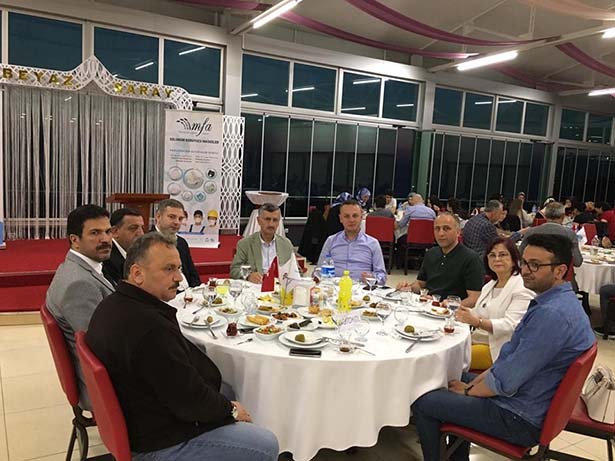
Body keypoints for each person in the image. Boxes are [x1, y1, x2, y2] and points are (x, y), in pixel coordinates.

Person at [86, 233, 279, 461]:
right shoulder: (149, 328)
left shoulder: (113, 303)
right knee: (266, 443)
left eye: (178, 268)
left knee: (226, 389)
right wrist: (231, 411)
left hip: (139, 416)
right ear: (137, 274)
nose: (179, 277)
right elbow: (190, 401)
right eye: (168, 269)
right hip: (155, 442)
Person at [411, 233, 595, 461]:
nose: (525, 270)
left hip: (519, 416)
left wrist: (468, 392)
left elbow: (507, 380)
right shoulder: (558, 302)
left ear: (560, 271)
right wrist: (474, 385)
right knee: (447, 376)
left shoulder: (552, 315)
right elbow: (510, 359)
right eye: (524, 263)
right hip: (529, 396)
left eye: (535, 265)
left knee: (424, 401)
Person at [46, 204, 115, 409]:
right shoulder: (79, 284)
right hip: (101, 386)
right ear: (75, 240)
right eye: (95, 233)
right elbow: (101, 346)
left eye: (108, 231)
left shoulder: (76, 267)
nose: (105, 239)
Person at [455, 237, 534, 370]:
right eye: (492, 255)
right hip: (476, 339)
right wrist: (458, 310)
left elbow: (511, 325)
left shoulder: (521, 288)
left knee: (449, 358)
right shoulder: (489, 285)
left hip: (497, 348)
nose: (497, 259)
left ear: (514, 259)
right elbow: (478, 313)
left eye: (502, 255)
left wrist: (478, 322)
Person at [397, 213, 484, 307]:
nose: (441, 233)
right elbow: (420, 284)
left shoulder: (471, 259)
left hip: (451, 311)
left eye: (446, 229)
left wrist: (447, 306)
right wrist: (408, 288)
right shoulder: (431, 253)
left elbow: (474, 298)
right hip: (427, 307)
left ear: (458, 232)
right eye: (437, 229)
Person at [318, 200, 387, 285]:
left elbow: (382, 276)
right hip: (335, 288)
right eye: (346, 216)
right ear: (340, 219)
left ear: (361, 217)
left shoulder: (373, 244)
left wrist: (373, 278)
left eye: (355, 216)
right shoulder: (331, 241)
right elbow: (318, 270)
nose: (351, 220)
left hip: (361, 289)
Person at [230, 203, 295, 283]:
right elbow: (234, 270)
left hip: (279, 287)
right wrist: (249, 276)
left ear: (279, 222)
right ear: (258, 220)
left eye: (275, 220)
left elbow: (297, 271)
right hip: (256, 287)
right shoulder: (245, 244)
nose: (271, 224)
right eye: (267, 219)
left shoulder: (286, 244)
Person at [153, 199, 201, 288]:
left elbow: (192, 273)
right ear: (158, 217)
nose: (177, 222)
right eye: (172, 217)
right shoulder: (147, 243)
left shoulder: (182, 242)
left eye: (180, 219)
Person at [519, 202, 583, 268]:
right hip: (560, 272)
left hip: (535, 270)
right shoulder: (570, 234)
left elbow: (519, 255)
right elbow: (577, 262)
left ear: (545, 215)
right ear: (563, 216)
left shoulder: (531, 232)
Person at [103, 207, 144, 287]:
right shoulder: (107, 259)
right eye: (133, 228)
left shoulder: (136, 254)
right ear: (115, 231)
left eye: (142, 228)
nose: (141, 233)